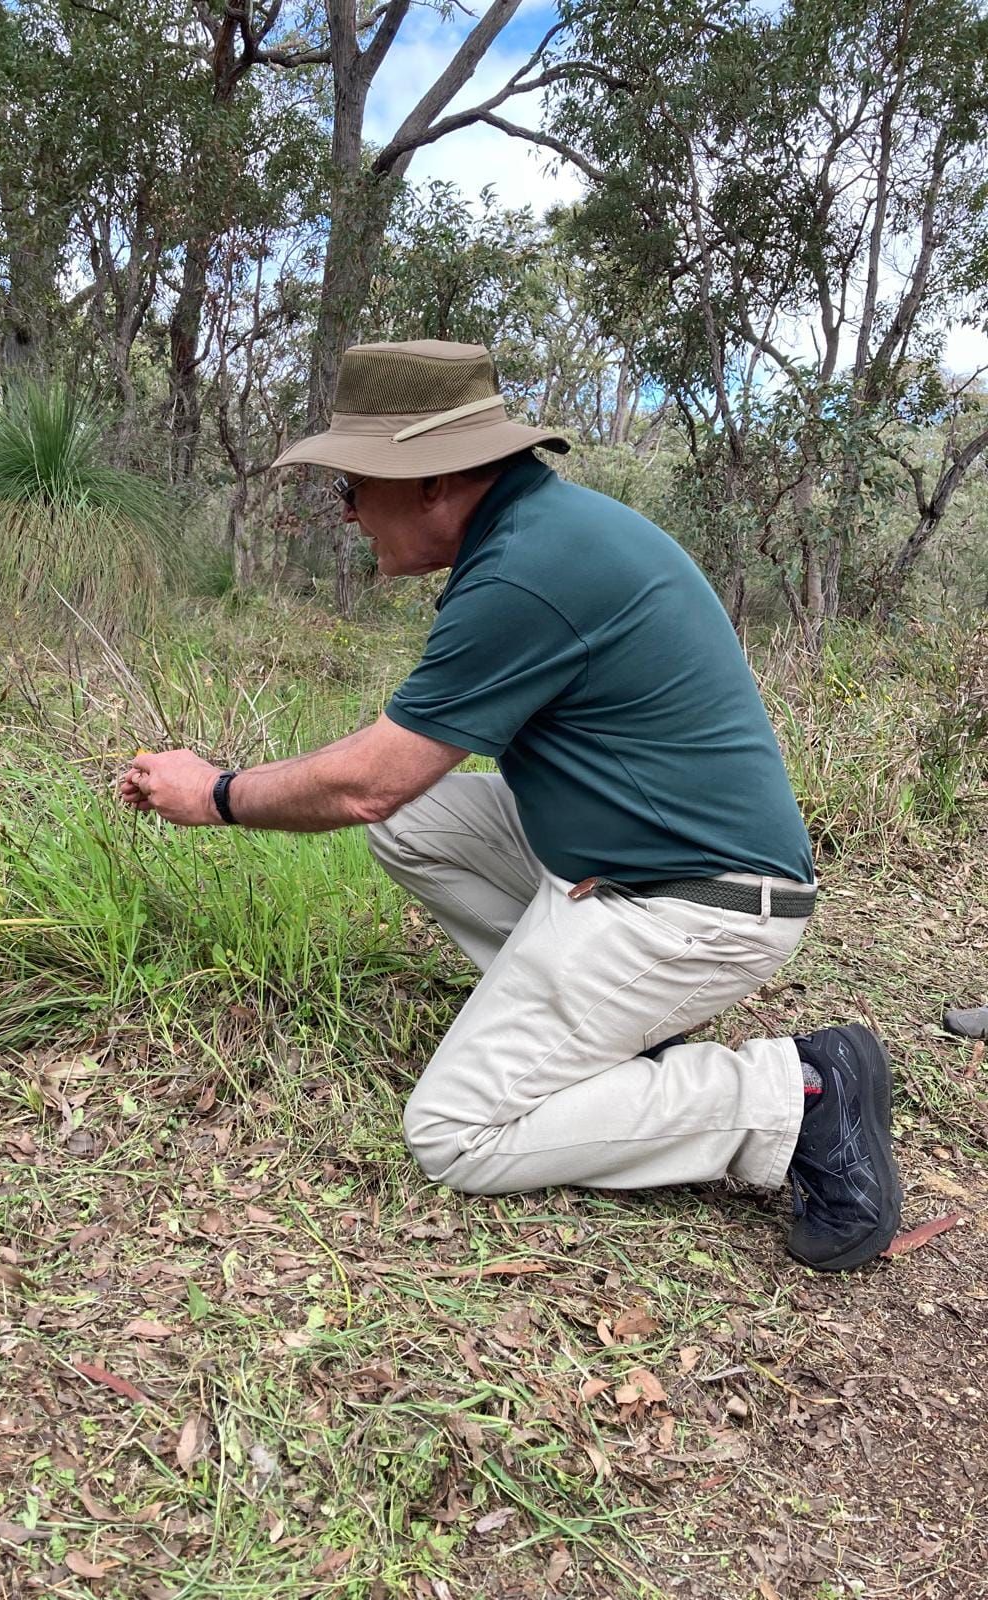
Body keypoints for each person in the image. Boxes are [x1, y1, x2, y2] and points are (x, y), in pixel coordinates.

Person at [120, 338, 903, 1272]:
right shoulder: (539, 532)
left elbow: (371, 778)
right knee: (417, 826)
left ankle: (794, 1092)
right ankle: (602, 1039)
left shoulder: (528, 570)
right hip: (632, 862)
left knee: (455, 1133)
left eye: (352, 488)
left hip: (699, 903)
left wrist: (214, 794)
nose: (347, 514)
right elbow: (395, 792)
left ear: (432, 482)